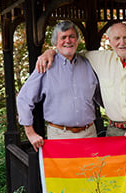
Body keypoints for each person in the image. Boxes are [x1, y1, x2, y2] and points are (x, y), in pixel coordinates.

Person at [16, 21, 101, 152]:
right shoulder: (45, 66)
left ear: (77, 40)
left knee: (91, 172)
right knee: (64, 173)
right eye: (63, 37)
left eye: (72, 36)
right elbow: (23, 99)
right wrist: (30, 133)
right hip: (60, 135)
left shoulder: (89, 64)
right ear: (55, 43)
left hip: (89, 134)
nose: (68, 40)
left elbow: (104, 96)